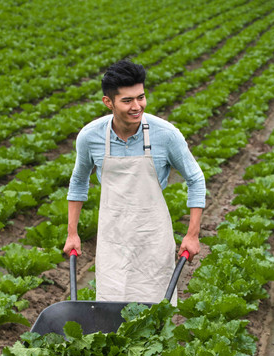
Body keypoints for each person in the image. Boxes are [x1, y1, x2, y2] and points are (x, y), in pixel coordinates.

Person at [63, 59, 206, 306]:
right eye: (127, 100)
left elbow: (196, 178)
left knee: (154, 310)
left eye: (141, 97)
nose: (137, 106)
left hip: (152, 236)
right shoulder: (90, 137)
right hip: (112, 237)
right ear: (108, 102)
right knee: (111, 305)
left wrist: (192, 234)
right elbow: (78, 181)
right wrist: (72, 233)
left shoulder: (166, 134)